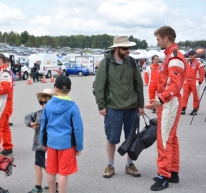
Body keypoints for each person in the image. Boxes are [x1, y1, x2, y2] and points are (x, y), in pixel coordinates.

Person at [94, 36, 144, 178]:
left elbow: (138, 85)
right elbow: (99, 87)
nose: (128, 51)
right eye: (125, 48)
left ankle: (130, 164)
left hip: (131, 108)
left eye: (129, 48)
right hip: (113, 108)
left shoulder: (132, 63)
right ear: (117, 49)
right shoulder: (105, 63)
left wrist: (140, 104)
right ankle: (110, 165)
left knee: (131, 138)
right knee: (112, 138)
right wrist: (101, 105)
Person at [145, 26, 188, 191]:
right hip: (169, 102)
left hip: (169, 102)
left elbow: (174, 85)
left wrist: (160, 100)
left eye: (158, 39)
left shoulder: (174, 57)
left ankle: (163, 177)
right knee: (171, 138)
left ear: (165, 38)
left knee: (164, 140)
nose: (157, 43)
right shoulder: (170, 55)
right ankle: (173, 171)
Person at [40, 75, 83, 193]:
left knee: (51, 170)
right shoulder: (73, 107)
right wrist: (78, 146)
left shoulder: (48, 105)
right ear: (70, 89)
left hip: (51, 143)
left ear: (55, 88)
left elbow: (43, 125)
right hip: (67, 144)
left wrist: (43, 142)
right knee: (63, 173)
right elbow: (78, 129)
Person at [25, 88, 54, 193]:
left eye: (47, 102)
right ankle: (52, 184)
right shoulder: (38, 113)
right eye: (41, 102)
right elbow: (28, 116)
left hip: (47, 145)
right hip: (40, 145)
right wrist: (31, 123)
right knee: (40, 166)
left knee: (44, 166)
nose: (44, 104)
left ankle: (41, 186)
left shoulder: (53, 115)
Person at [181, 50, 205, 115]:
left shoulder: (198, 63)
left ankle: (195, 109)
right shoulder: (186, 62)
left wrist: (200, 81)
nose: (190, 56)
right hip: (187, 81)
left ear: (195, 55)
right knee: (185, 96)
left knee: (195, 96)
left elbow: (202, 73)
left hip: (194, 81)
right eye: (189, 55)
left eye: (192, 54)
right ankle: (183, 108)